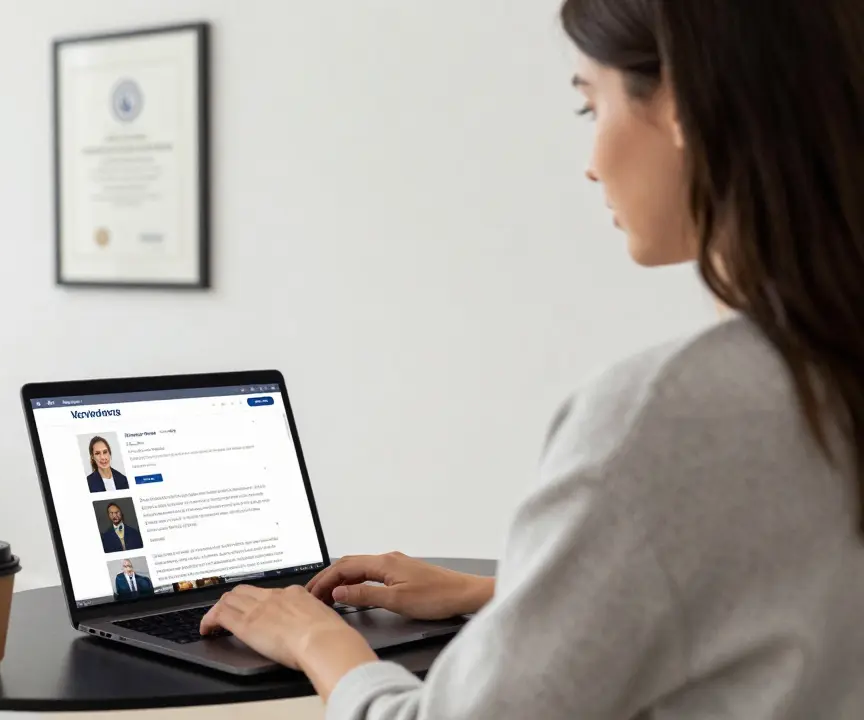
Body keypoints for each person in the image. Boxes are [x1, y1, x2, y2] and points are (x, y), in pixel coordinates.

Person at [198, 2, 864, 717]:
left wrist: (318, 642)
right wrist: (510, 596)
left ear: (681, 105)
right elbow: (772, 595)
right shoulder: (831, 370)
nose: (589, 165)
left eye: (590, 106)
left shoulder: (665, 415)